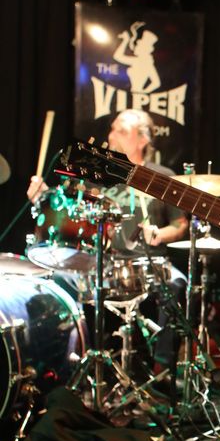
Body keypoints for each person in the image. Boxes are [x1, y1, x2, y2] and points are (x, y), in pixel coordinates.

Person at [27, 109, 189, 371]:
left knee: (178, 283)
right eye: (112, 129)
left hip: (149, 263)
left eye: (121, 131)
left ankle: (162, 368)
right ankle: (71, 362)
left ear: (143, 140)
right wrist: (44, 196)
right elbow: (67, 207)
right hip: (104, 262)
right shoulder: (98, 174)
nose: (112, 136)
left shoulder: (162, 176)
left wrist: (159, 234)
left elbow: (180, 225)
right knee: (56, 280)